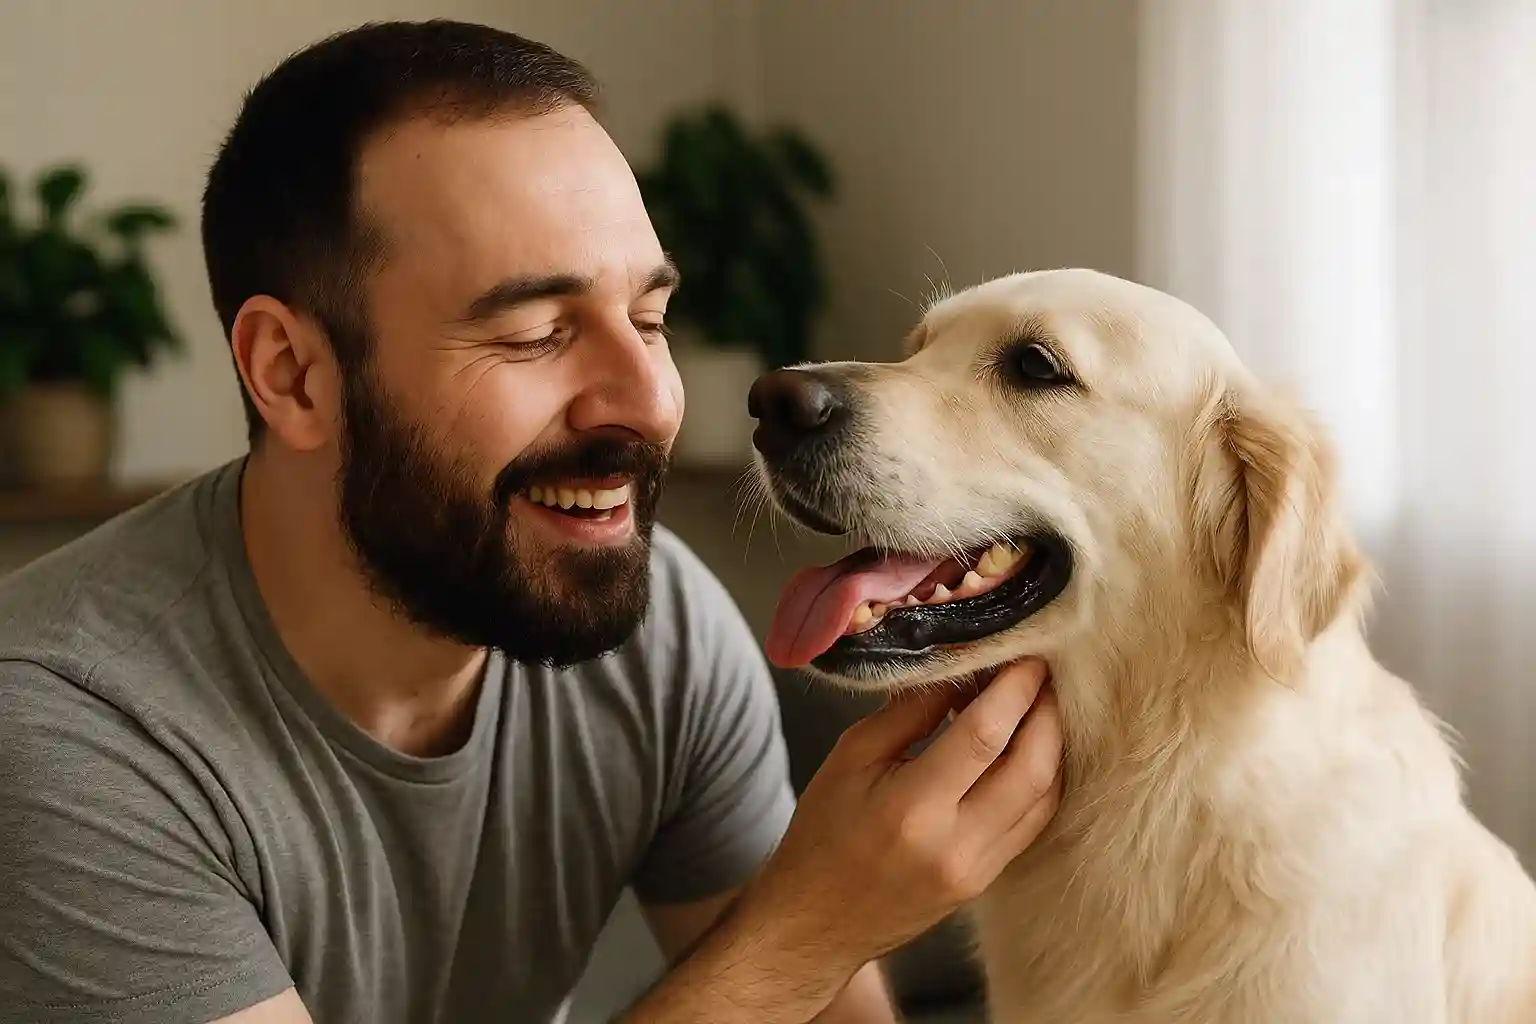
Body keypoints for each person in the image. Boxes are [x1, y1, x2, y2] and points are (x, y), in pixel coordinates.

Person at [0, 19, 1063, 1024]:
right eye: (535, 332)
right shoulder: (61, 736)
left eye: (649, 319)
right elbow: (784, 966)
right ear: (293, 374)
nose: (648, 399)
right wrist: (816, 921)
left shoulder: (659, 628)